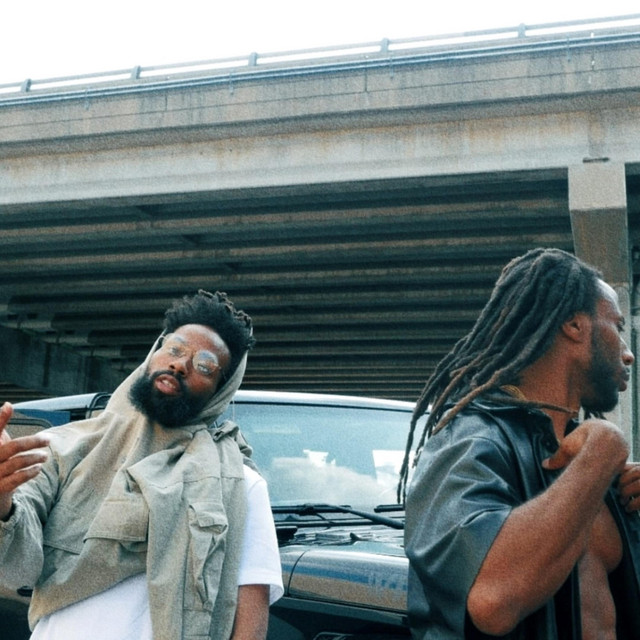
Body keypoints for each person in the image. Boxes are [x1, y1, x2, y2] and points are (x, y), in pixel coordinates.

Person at [0, 290, 283, 640]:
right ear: (153, 355)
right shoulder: (61, 448)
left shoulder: (240, 484)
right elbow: (17, 572)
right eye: (174, 349)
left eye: (204, 365)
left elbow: (250, 621)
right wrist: (3, 502)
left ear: (219, 392)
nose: (180, 365)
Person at [400, 248, 640, 639]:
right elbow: (493, 601)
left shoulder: (592, 463)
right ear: (574, 325)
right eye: (618, 326)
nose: (628, 354)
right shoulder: (473, 440)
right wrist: (600, 454)